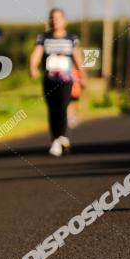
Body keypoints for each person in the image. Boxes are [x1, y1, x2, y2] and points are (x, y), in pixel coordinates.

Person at [29, 9, 83, 157]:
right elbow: (36, 54)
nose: (55, 21)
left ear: (64, 20)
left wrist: (83, 76)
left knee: (63, 107)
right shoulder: (43, 38)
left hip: (66, 80)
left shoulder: (71, 39)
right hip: (49, 79)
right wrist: (33, 67)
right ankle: (56, 138)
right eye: (52, 18)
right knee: (52, 109)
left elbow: (78, 58)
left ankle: (60, 137)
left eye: (58, 18)